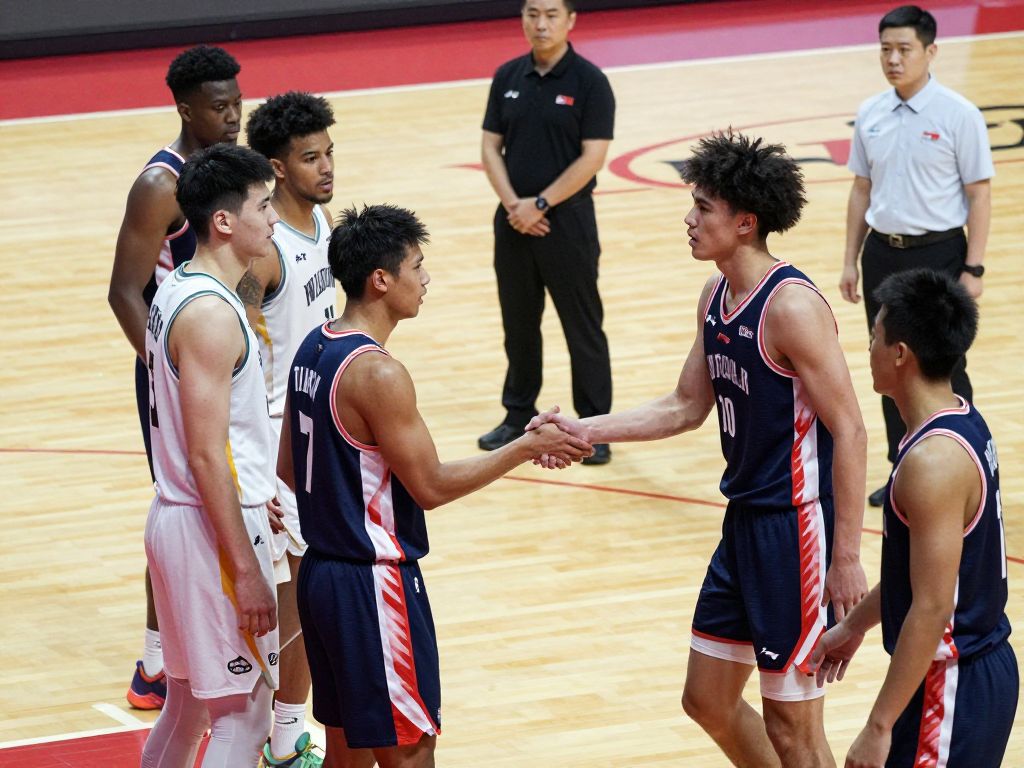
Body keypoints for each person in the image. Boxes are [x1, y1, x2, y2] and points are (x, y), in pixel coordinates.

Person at [529, 132, 868, 767]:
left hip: (794, 532)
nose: (688, 218)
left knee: (794, 729)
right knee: (707, 699)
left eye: (703, 207)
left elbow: (850, 428)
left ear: (745, 222)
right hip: (743, 525)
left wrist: (846, 555)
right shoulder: (716, 297)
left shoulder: (792, 307)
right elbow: (684, 406)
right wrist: (582, 430)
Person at [277, 204, 592, 767]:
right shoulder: (377, 372)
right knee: (410, 751)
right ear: (381, 280)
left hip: (321, 577)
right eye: (417, 266)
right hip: (373, 584)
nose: (425, 279)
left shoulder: (312, 347)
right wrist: (525, 446)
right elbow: (431, 486)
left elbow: (288, 467)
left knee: (346, 753)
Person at [812, 269, 1016, 767]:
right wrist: (852, 626)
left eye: (875, 336)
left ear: (901, 354)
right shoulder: (961, 417)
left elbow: (933, 606)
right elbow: (923, 573)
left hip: (951, 683)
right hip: (963, 672)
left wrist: (877, 726)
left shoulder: (932, 462)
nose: (869, 348)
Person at [108, 44, 243, 710]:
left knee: (235, 501)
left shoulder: (236, 173)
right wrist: (165, 369)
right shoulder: (161, 185)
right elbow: (123, 291)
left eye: (238, 103)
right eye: (220, 107)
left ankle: (203, 647)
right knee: (185, 505)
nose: (234, 116)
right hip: (177, 372)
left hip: (225, 364)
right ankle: (155, 663)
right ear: (186, 110)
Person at [140, 144, 280, 767]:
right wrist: (245, 565)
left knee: (187, 706)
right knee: (243, 715)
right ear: (223, 221)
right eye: (263, 206)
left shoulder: (178, 288)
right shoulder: (210, 315)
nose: (273, 219)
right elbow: (205, 455)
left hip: (181, 519)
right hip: (208, 530)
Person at [838, 5, 993, 507]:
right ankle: (902, 467)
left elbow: (979, 195)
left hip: (939, 256)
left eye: (904, 49)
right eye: (885, 49)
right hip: (883, 254)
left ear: (931, 51)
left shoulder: (959, 114)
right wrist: (850, 258)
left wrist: (973, 268)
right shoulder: (870, 113)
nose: (893, 59)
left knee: (946, 365)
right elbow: (861, 189)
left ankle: (971, 462)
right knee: (889, 364)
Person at [241, 90, 337, 767]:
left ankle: (278, 730)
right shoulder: (267, 252)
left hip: (316, 431)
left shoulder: (322, 219)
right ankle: (281, 739)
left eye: (329, 152)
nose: (326, 167)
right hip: (277, 441)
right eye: (310, 157)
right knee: (296, 596)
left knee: (305, 592)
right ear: (277, 168)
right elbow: (237, 343)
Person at [477, 0, 615, 465]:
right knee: (518, 324)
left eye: (551, 14)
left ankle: (595, 427)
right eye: (532, 13)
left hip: (567, 223)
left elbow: (593, 157)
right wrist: (514, 206)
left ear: (570, 20)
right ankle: (517, 414)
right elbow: (490, 147)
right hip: (513, 223)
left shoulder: (590, 81)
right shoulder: (507, 76)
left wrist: (539, 203)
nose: (541, 23)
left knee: (582, 326)